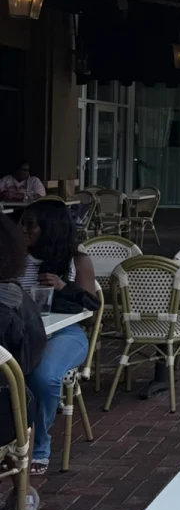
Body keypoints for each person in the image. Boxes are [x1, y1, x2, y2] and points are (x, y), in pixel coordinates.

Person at [18, 200, 95, 477]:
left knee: (43, 376)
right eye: (21, 222)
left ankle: (39, 445)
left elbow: (91, 304)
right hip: (23, 334)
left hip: (65, 333)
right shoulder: (13, 257)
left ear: (49, 228)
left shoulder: (76, 260)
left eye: (30, 224)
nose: (22, 229)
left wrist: (64, 286)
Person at [0, 215, 44, 510]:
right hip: (4, 417)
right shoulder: (13, 298)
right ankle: (21, 492)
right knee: (19, 397)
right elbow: (28, 360)